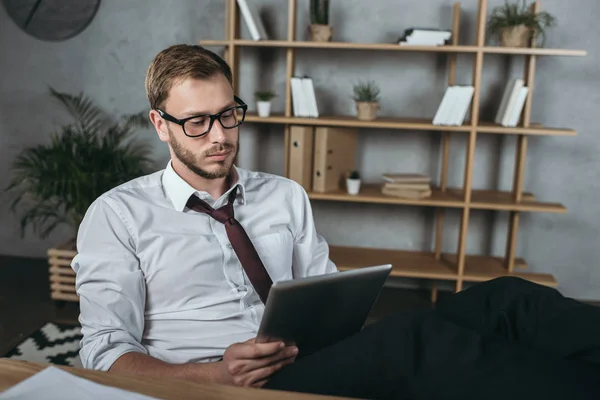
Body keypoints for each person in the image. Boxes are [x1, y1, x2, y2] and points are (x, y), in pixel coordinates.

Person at [71, 44, 600, 400]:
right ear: (160, 126)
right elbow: (102, 355)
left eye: (229, 113)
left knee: (506, 298)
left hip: (309, 355)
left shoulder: (283, 196)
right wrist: (216, 373)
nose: (219, 136)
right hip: (228, 385)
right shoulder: (117, 216)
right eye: (197, 122)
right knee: (417, 339)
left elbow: (327, 296)